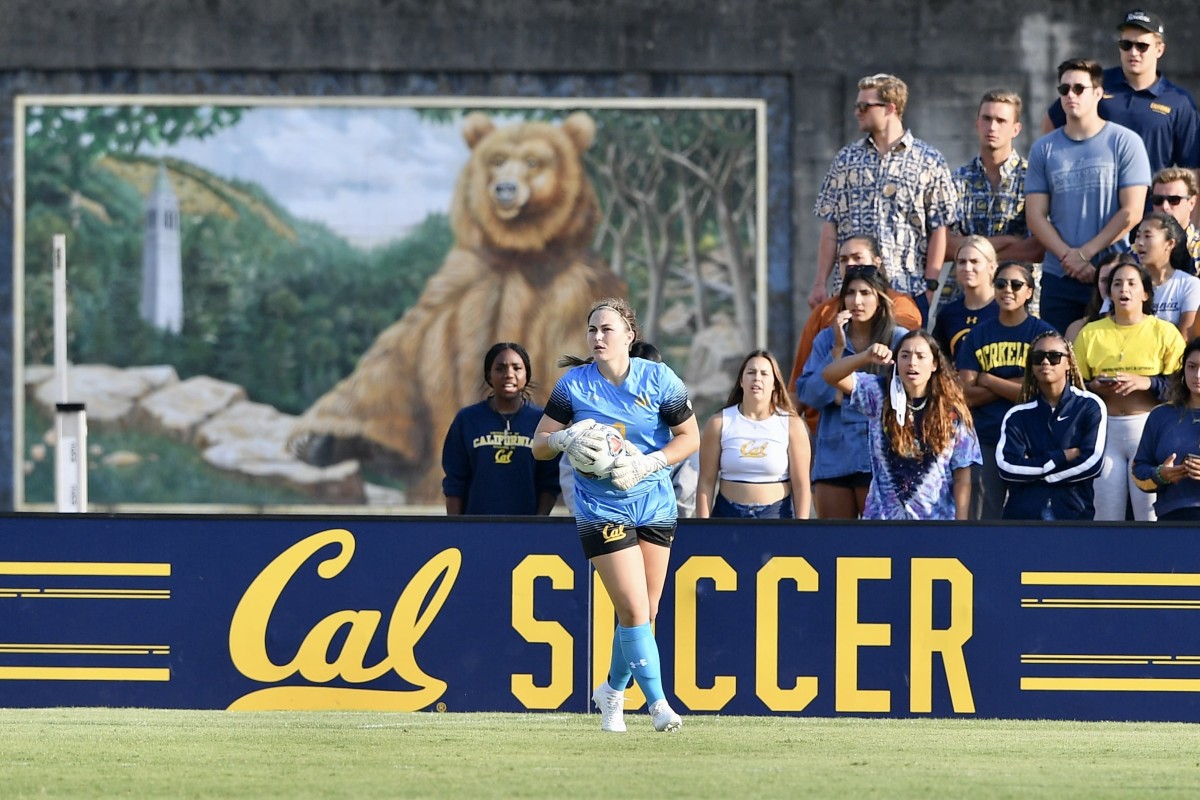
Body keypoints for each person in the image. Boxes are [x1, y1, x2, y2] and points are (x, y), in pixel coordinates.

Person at [533, 297, 698, 734]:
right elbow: (538, 443)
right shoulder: (573, 386)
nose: (598, 337)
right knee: (632, 606)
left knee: (646, 609)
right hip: (600, 505)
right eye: (592, 330)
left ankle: (611, 690)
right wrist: (564, 438)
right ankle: (658, 703)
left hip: (654, 501)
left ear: (630, 335)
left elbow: (690, 436)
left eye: (607, 329)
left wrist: (648, 463)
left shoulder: (659, 378)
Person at [811, 73, 957, 313]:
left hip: (906, 290)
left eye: (864, 106)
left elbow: (940, 228)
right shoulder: (846, 159)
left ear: (890, 108)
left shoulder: (929, 160)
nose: (857, 111)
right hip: (850, 293)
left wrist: (930, 287)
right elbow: (830, 226)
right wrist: (820, 283)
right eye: (857, 106)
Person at [1026, 58, 1152, 335]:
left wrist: (1085, 254)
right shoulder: (1043, 149)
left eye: (1079, 88)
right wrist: (1069, 259)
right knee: (1055, 360)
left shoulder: (1125, 142)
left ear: (1098, 93)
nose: (1070, 95)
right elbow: (1035, 215)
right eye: (1064, 89)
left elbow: (1131, 212)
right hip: (1059, 275)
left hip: (1114, 273)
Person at [821, 329, 981, 520]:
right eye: (905, 355)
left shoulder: (952, 409)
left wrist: (960, 523)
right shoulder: (879, 393)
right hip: (882, 520)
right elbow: (830, 375)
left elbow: (962, 473)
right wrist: (865, 356)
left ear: (934, 364)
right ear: (896, 360)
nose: (912, 362)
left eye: (921, 356)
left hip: (935, 521)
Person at [1074, 261, 1186, 520]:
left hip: (1148, 431)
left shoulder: (1165, 332)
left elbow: (1183, 387)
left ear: (1145, 293)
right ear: (1109, 293)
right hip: (1105, 431)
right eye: (1117, 283)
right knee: (1106, 515)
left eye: (1132, 283)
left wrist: (1147, 382)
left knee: (1149, 514)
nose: (1124, 289)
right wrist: (1094, 386)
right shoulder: (1090, 333)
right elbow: (1075, 386)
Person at [796, 266, 909, 518]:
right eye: (850, 293)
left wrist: (841, 397)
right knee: (834, 545)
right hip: (834, 455)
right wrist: (837, 350)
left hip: (884, 456)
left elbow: (905, 395)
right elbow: (807, 393)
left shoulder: (899, 338)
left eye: (865, 293)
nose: (857, 301)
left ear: (880, 298)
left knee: (879, 549)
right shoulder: (827, 339)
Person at [1040, 9, 1200, 181]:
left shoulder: (1179, 101)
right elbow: (1051, 124)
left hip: (1151, 203)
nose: (1133, 52)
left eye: (1142, 46)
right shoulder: (1094, 84)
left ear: (1159, 50)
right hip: (1095, 200)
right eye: (1126, 45)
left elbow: (1192, 171)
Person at [788, 235, 922, 434]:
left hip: (886, 442)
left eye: (857, 258)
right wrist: (836, 353)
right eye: (843, 260)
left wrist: (845, 394)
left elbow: (913, 388)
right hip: (832, 442)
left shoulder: (900, 326)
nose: (857, 301)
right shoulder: (826, 326)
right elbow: (804, 390)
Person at [955, 262, 1057, 520]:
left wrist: (988, 380)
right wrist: (1016, 384)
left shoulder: (1044, 335)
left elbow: (1044, 392)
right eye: (1000, 284)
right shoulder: (978, 335)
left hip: (1034, 441)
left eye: (1015, 284)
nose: (1007, 290)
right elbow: (965, 395)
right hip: (986, 438)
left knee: (1032, 521)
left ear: (1030, 292)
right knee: (983, 521)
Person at [557, 341, 700, 517]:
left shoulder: (675, 421)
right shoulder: (591, 422)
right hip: (600, 514)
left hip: (656, 514)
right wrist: (582, 512)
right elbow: (570, 468)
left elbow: (687, 477)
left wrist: (671, 517)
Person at [997, 331, 1107, 520]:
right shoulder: (1017, 415)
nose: (1046, 362)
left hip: (1073, 513)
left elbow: (1092, 463)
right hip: (1023, 515)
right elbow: (1007, 467)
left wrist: (1042, 474)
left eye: (1054, 357)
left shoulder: (1090, 405)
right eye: (1038, 358)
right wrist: (1060, 456)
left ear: (1069, 363)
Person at [442, 342, 559, 515]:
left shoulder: (542, 422)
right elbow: (455, 482)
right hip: (475, 528)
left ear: (526, 374)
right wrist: (457, 528)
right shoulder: (467, 420)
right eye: (500, 368)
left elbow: (549, 482)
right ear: (489, 375)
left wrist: (537, 526)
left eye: (517, 368)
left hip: (525, 531)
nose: (508, 375)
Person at [695, 350, 811, 519]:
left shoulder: (792, 424)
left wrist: (802, 529)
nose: (757, 378)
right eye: (751, 372)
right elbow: (706, 482)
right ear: (741, 381)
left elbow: (801, 485)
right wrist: (703, 527)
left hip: (776, 515)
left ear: (774, 384)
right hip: (728, 515)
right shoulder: (719, 422)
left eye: (764, 374)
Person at [947, 90, 1044, 264]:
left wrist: (972, 253)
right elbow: (946, 246)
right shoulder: (958, 179)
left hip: (1016, 286)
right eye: (986, 119)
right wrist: (1007, 241)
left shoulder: (1032, 177)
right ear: (977, 124)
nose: (992, 127)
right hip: (966, 286)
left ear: (1016, 129)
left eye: (1001, 121)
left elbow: (1037, 248)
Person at [1133, 338, 1200, 520]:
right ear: (1183, 370)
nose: (1198, 375)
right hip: (1172, 520)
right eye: (1192, 367)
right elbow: (1138, 471)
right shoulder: (1161, 415)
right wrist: (1160, 474)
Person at [1131, 211, 1200, 335]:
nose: (1140, 243)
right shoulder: (1126, 282)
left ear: (1170, 244)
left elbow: (1185, 338)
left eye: (1148, 236)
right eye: (1138, 236)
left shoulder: (1189, 285)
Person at [932, 236, 1000, 361]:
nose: (967, 268)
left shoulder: (1005, 310)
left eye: (974, 262)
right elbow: (939, 361)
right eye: (961, 262)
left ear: (991, 267)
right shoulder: (948, 314)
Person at [1065, 252, 1130, 342]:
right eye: (1105, 281)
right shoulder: (1078, 330)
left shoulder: (1152, 327)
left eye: (1117, 281)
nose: (1110, 287)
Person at [1148, 167, 1200, 274]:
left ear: (1191, 202)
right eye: (1158, 200)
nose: (1165, 206)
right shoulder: (1138, 250)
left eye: (1174, 200)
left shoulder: (1197, 250)